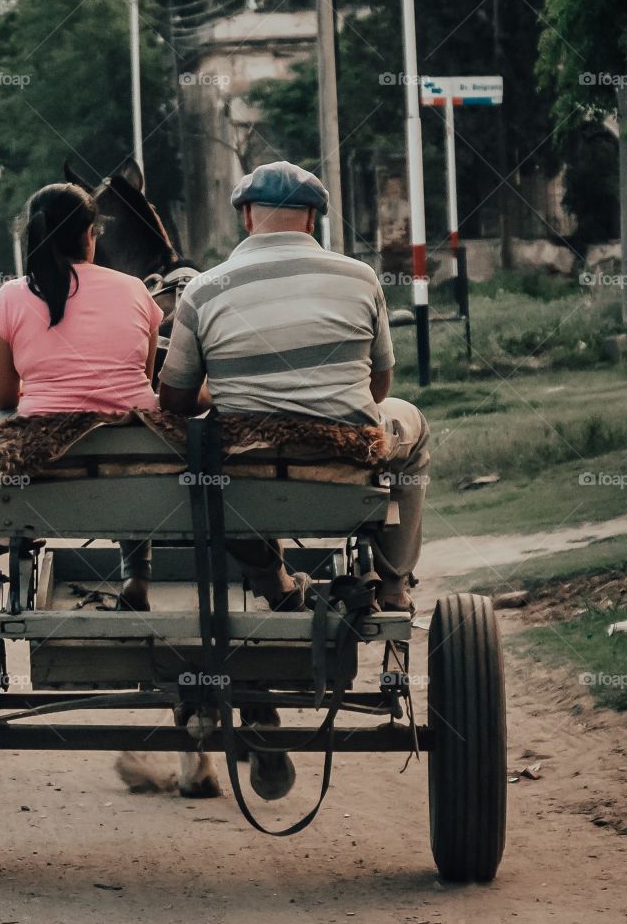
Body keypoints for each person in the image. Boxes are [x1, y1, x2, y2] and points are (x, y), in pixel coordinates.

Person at [158, 160, 430, 615]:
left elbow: (175, 402)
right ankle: (393, 583)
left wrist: (222, 391)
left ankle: (275, 583)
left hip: (245, 466)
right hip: (346, 452)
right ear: (311, 218)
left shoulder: (203, 289)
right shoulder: (360, 277)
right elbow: (379, 388)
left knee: (206, 450)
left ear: (245, 216)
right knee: (414, 427)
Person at [0, 182, 163, 610]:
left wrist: (46, 388)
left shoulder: (11, 295)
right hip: (137, 469)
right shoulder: (136, 290)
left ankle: (0, 515)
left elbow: (2, 396)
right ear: (90, 234)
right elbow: (144, 379)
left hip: (45, 465)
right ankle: (136, 574)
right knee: (128, 415)